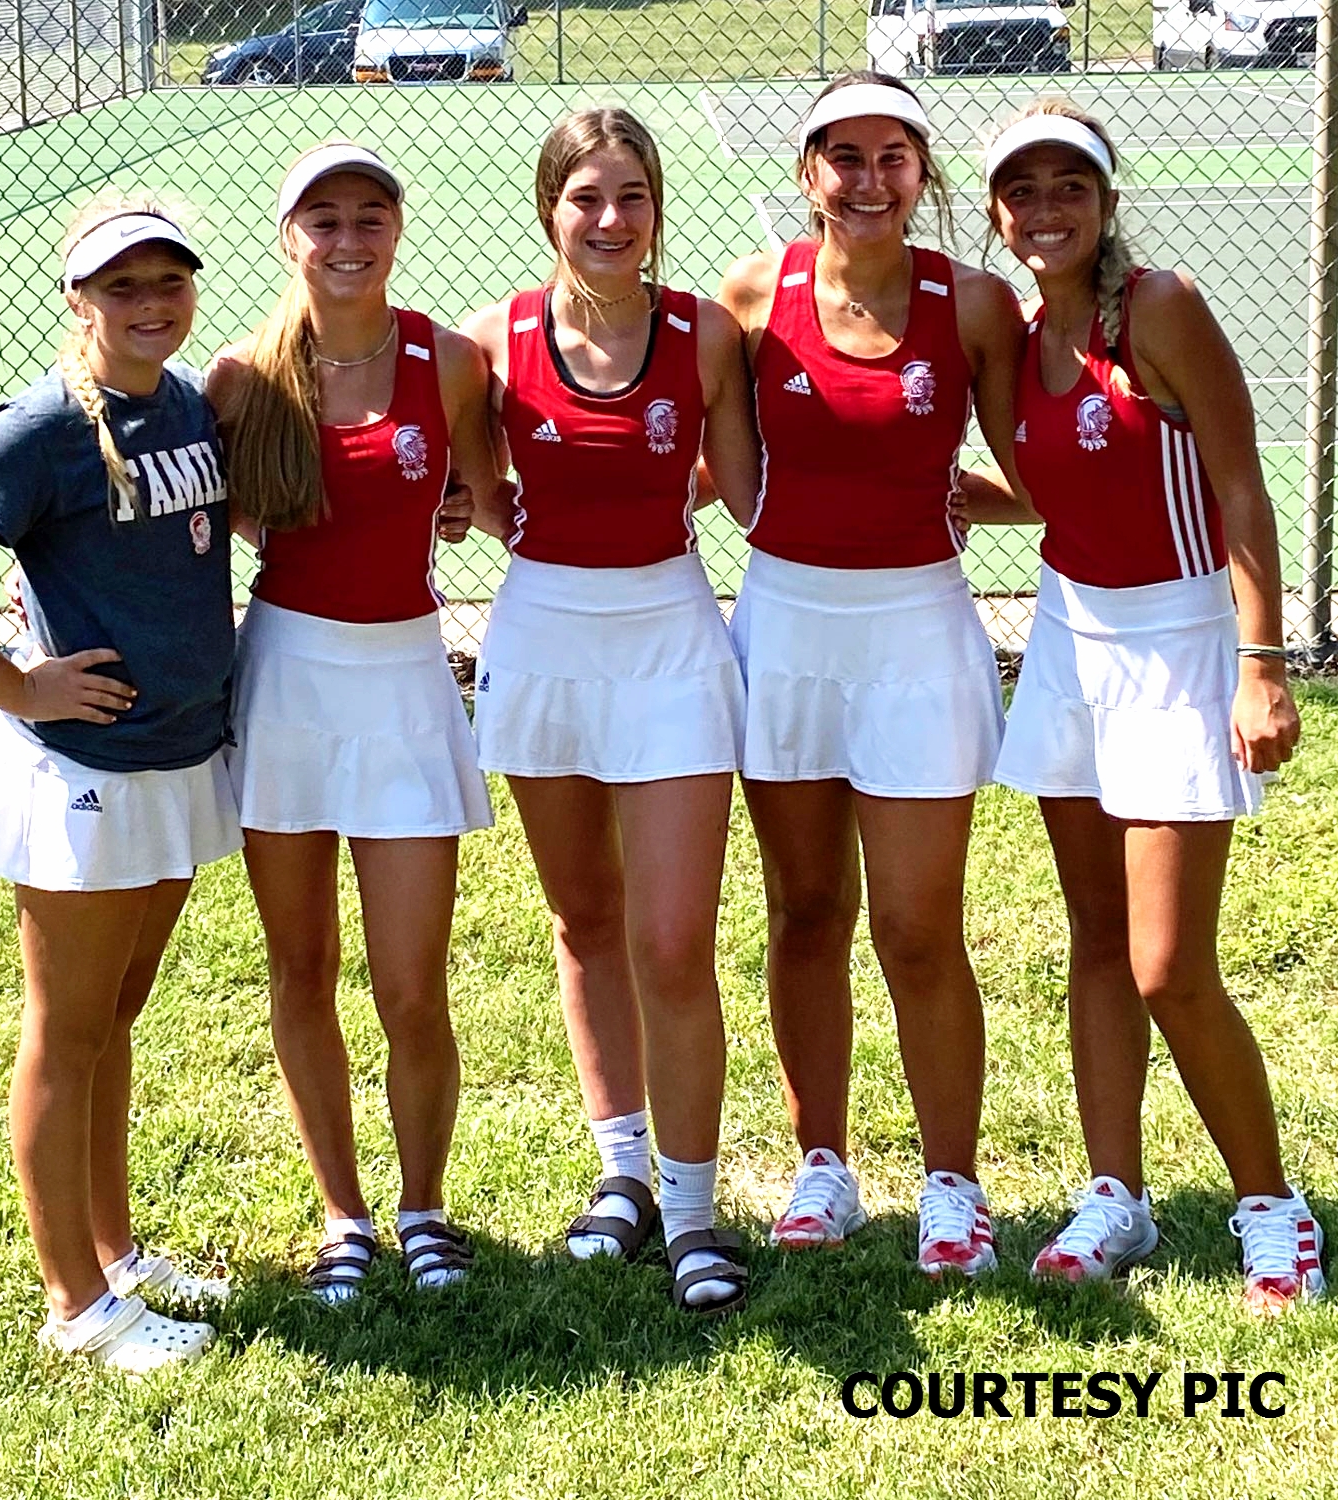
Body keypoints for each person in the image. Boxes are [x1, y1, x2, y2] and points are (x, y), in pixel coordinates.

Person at [0, 201, 239, 1371]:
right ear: (78, 301)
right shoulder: (41, 426)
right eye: (120, 288)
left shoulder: (181, 403)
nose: (148, 305)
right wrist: (18, 687)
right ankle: (76, 1307)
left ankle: (115, 1254)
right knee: (66, 1034)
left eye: (165, 282)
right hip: (84, 772)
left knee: (113, 1022)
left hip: (175, 757)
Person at [974, 100, 1322, 1311]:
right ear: (998, 212)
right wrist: (980, 499)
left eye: (1071, 187)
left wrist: (1261, 660)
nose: (1047, 209)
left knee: (1169, 963)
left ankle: (1275, 1206)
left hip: (1183, 646)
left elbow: (1235, 481)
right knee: (1095, 941)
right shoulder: (1014, 336)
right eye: (1025, 191)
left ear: (1107, 203)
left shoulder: (1157, 307)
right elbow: (1070, 477)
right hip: (1074, 642)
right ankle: (1114, 1194)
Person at [717, 73, 1024, 1275]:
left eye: (893, 154)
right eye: (842, 155)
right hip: (786, 628)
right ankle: (823, 1168)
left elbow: (1035, 468)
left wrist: (946, 500)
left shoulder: (978, 305)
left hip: (919, 635)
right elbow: (712, 463)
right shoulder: (752, 296)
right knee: (803, 912)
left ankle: (955, 1185)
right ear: (808, 175)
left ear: (921, 173)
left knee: (916, 924)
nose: (867, 176)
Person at [462, 108, 760, 1314]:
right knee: (587, 919)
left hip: (671, 642)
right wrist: (503, 520)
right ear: (550, 209)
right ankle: (623, 1176)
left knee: (675, 941)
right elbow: (468, 484)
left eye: (630, 195)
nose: (609, 219)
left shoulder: (708, 336)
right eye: (586, 197)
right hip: (541, 640)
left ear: (654, 207)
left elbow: (745, 486)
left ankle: (694, 1213)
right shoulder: (490, 341)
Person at [208, 143, 494, 1302]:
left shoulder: (453, 359)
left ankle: (424, 1208)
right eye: (322, 219)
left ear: (397, 227)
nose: (346, 239)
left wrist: (463, 503)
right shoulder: (242, 375)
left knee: (412, 983)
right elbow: (199, 514)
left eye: (368, 216)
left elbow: (480, 494)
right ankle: (345, 1217)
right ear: (290, 237)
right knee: (302, 965)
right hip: (286, 679)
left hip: (407, 681)